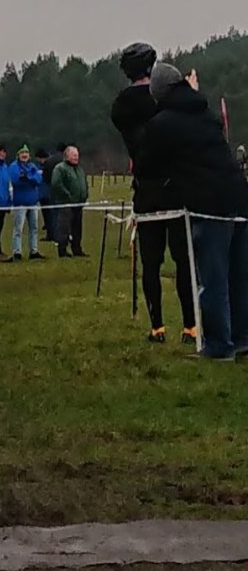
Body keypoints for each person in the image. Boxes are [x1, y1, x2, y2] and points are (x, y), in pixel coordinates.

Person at [141, 63, 248, 360]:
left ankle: (219, 346)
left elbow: (148, 164)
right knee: (239, 275)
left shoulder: (162, 124)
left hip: (210, 204)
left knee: (212, 278)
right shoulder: (205, 112)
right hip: (239, 195)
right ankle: (242, 339)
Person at [111, 43, 196, 344]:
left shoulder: (121, 105)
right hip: (176, 188)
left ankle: (157, 327)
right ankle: (190, 326)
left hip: (146, 190)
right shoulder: (164, 100)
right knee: (184, 260)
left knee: (151, 263)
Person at [52, 145, 89, 257]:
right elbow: (56, 184)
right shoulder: (60, 168)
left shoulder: (79, 169)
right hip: (66, 204)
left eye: (77, 155)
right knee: (64, 228)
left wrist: (85, 194)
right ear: (67, 156)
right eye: (74, 155)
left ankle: (77, 249)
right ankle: (62, 250)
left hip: (79, 203)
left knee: (77, 228)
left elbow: (84, 182)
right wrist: (68, 195)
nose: (76, 157)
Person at [8, 144, 43, 261]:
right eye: (22, 153)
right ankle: (17, 252)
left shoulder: (32, 166)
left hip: (33, 202)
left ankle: (34, 250)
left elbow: (38, 180)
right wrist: (29, 177)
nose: (24, 155)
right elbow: (16, 180)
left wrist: (28, 177)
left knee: (34, 228)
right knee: (18, 229)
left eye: (26, 153)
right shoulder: (14, 166)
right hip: (20, 202)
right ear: (18, 155)